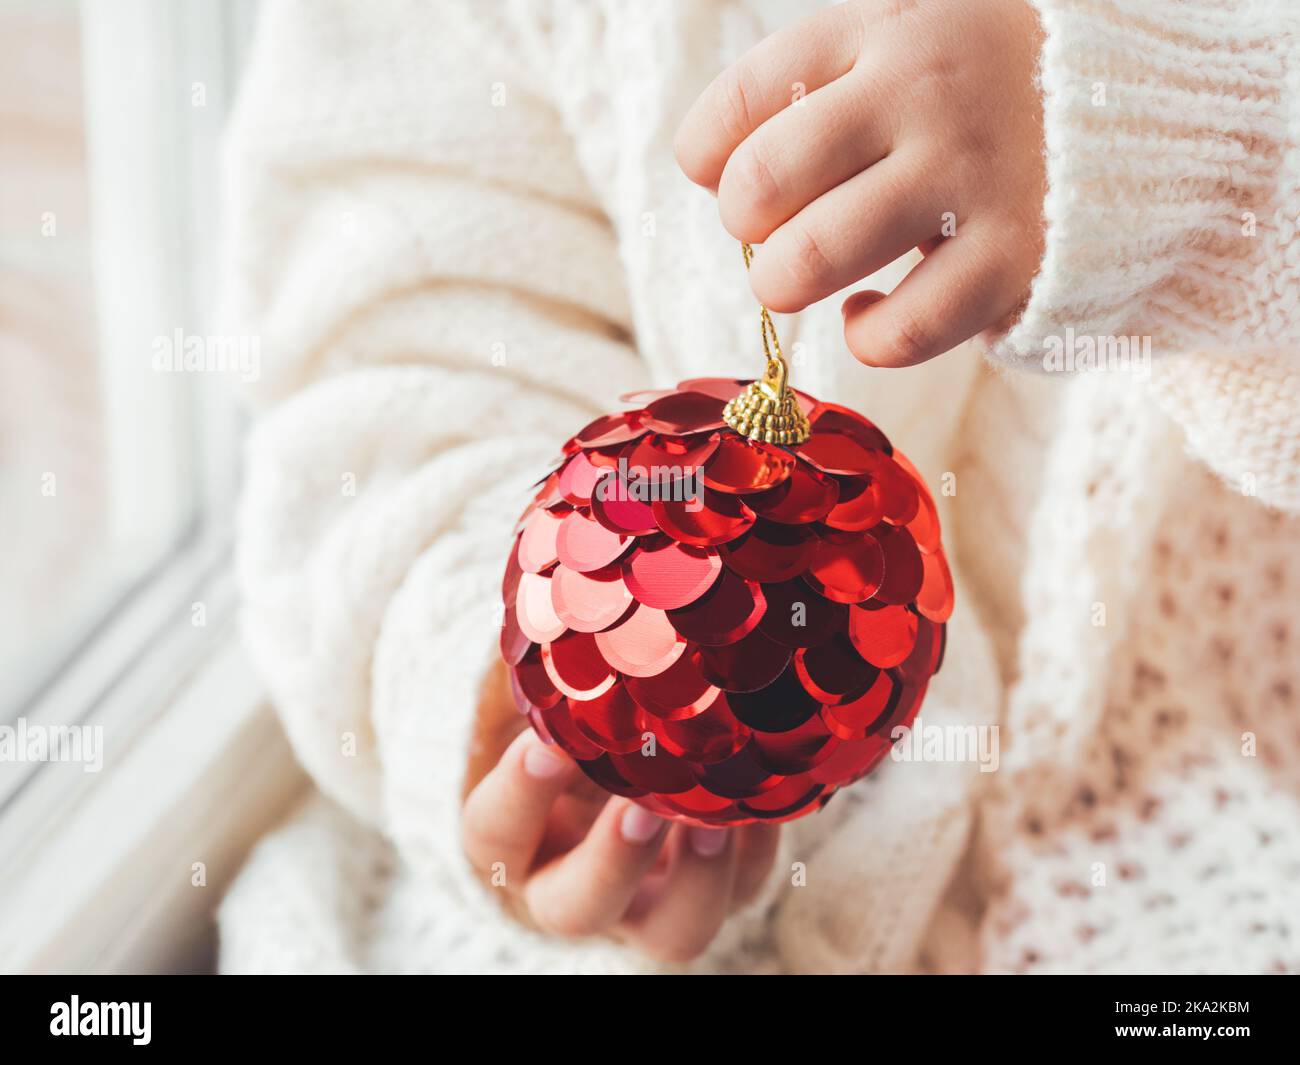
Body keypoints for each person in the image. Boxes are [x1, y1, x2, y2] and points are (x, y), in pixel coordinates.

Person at [218, 0, 1300, 973]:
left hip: (1219, 809)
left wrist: (1195, 153)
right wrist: (503, 690)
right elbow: (396, 369)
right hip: (676, 910)